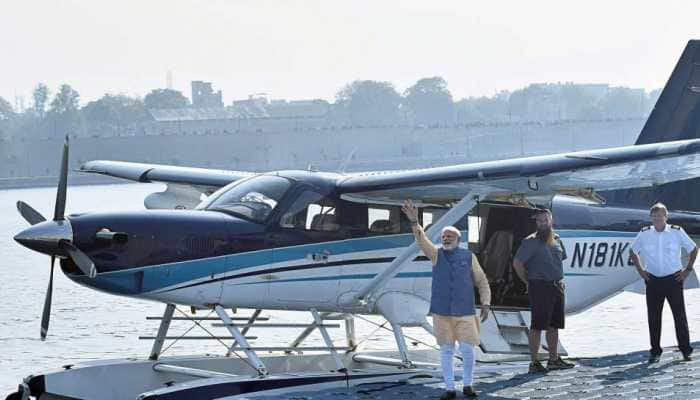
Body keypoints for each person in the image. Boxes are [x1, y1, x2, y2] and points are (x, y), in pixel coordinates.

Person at [402, 200, 491, 399]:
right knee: (446, 351)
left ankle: (468, 385)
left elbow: (482, 280)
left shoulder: (469, 257)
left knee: (468, 350)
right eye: (443, 236)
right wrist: (415, 222)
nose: (445, 238)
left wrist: (486, 302)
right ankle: (449, 388)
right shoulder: (435, 255)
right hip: (441, 311)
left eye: (449, 236)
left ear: (458, 239)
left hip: (465, 311)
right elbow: (422, 241)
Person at [629, 202, 698, 363]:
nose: (657, 220)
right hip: (653, 280)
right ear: (651, 219)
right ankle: (655, 351)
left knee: (679, 316)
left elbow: (693, 249)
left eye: (660, 217)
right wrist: (641, 271)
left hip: (673, 279)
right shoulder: (645, 233)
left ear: (666, 217)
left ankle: (685, 350)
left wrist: (687, 270)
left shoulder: (676, 232)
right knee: (653, 317)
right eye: (654, 217)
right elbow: (632, 251)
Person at [512, 208, 574, 373]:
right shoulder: (530, 241)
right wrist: (528, 281)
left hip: (557, 286)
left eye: (545, 220)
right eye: (539, 220)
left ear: (551, 220)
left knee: (554, 325)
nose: (543, 223)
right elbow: (517, 264)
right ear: (536, 223)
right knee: (537, 326)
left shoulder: (557, 239)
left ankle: (553, 360)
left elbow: (560, 261)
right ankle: (534, 362)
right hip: (539, 286)